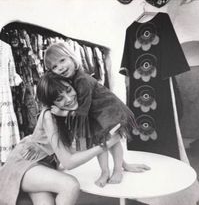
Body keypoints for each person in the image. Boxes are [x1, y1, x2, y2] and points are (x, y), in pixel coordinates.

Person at [0, 72, 149, 205]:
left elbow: (99, 135)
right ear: (52, 103)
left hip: (46, 165)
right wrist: (106, 144)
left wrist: (123, 165)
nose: (69, 98)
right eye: (59, 98)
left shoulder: (78, 111)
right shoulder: (49, 117)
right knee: (70, 185)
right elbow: (68, 162)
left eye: (69, 90)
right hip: (26, 162)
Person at [44, 42, 150, 187]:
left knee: (113, 141)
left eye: (62, 60)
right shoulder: (72, 80)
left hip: (111, 112)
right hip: (98, 115)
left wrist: (63, 113)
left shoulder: (82, 80)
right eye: (54, 67)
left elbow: (83, 109)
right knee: (100, 142)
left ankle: (118, 169)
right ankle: (105, 171)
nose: (60, 67)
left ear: (72, 58)